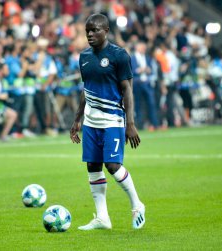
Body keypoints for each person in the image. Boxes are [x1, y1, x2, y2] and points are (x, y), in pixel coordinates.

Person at [70, 14, 145, 231]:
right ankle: (102, 218)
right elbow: (86, 90)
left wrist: (130, 123)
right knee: (93, 166)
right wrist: (77, 119)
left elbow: (127, 90)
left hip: (113, 120)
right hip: (91, 123)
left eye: (95, 30)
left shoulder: (119, 55)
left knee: (112, 165)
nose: (90, 35)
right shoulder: (84, 57)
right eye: (87, 31)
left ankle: (137, 204)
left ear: (106, 31)